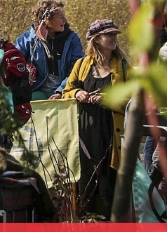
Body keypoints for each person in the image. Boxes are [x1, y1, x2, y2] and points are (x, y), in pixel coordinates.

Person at [62, 19, 130, 217]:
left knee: (109, 186)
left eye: (115, 34)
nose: (113, 38)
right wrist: (77, 94)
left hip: (111, 133)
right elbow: (67, 90)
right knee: (86, 185)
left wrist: (110, 99)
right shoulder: (81, 65)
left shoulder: (124, 67)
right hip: (85, 133)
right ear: (96, 40)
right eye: (108, 34)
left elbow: (137, 99)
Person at [15, 0, 83, 101]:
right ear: (47, 20)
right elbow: (14, 67)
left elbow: (76, 69)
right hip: (36, 91)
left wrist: (61, 91)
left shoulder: (72, 39)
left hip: (66, 91)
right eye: (61, 17)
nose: (65, 20)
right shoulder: (26, 40)